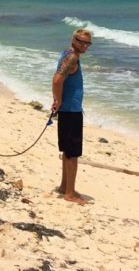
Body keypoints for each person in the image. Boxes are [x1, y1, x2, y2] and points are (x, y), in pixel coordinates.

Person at [51, 28, 92, 205]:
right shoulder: (72, 57)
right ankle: (70, 193)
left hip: (68, 109)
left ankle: (64, 186)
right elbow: (57, 80)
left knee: (68, 151)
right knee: (73, 153)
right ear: (73, 40)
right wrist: (58, 100)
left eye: (87, 43)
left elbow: (59, 79)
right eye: (80, 41)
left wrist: (57, 101)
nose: (84, 45)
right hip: (71, 110)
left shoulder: (67, 53)